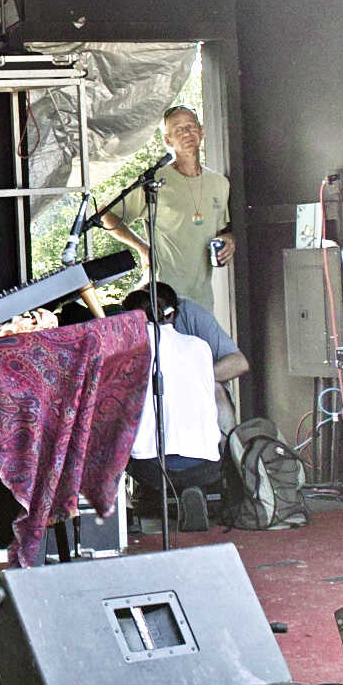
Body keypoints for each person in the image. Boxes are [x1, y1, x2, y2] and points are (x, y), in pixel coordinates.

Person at [112, 282, 248, 519]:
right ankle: (215, 484)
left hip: (151, 468)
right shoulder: (200, 347)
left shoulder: (129, 353)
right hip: (206, 466)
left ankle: (125, 512)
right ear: (172, 314)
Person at [98, 104, 233, 317]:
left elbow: (221, 231)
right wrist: (142, 247)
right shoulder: (155, 181)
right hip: (163, 298)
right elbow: (106, 214)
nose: (186, 132)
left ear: (202, 131)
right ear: (167, 140)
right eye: (178, 129)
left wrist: (230, 240)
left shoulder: (219, 183)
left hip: (203, 300)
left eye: (191, 126)